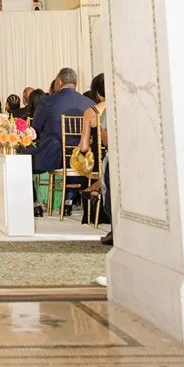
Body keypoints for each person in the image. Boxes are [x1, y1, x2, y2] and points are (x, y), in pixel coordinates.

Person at [30, 67, 95, 216]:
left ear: (59, 82)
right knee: (72, 158)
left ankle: (35, 204)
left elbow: (35, 130)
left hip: (51, 156)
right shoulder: (89, 103)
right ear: (75, 83)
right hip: (80, 157)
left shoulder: (47, 102)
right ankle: (68, 202)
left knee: (21, 159)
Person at [79, 73, 111, 241]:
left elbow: (83, 147)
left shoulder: (91, 112)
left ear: (98, 92)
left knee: (87, 168)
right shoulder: (121, 106)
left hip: (99, 163)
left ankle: (93, 192)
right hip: (113, 157)